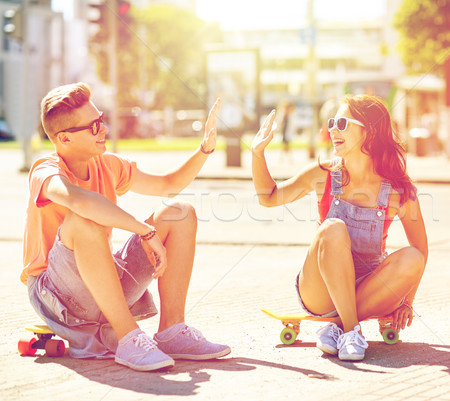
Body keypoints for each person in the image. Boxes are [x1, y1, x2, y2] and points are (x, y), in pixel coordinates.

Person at [22, 83, 230, 371]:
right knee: (83, 220)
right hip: (56, 297)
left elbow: (167, 184)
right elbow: (80, 202)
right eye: (93, 126)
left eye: (101, 120)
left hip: (101, 286)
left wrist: (205, 148)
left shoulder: (107, 164)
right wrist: (144, 231)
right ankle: (128, 338)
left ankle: (172, 331)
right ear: (65, 138)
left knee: (179, 212)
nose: (104, 129)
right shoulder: (45, 170)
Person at [251, 94, 428, 361]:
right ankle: (351, 330)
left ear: (369, 132)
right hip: (319, 291)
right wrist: (257, 153)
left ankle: (337, 327)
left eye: (342, 123)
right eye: (332, 122)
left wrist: (407, 300)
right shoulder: (321, 174)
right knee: (332, 228)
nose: (333, 129)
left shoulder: (398, 190)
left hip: (368, 289)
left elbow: (420, 250)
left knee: (413, 257)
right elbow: (268, 197)